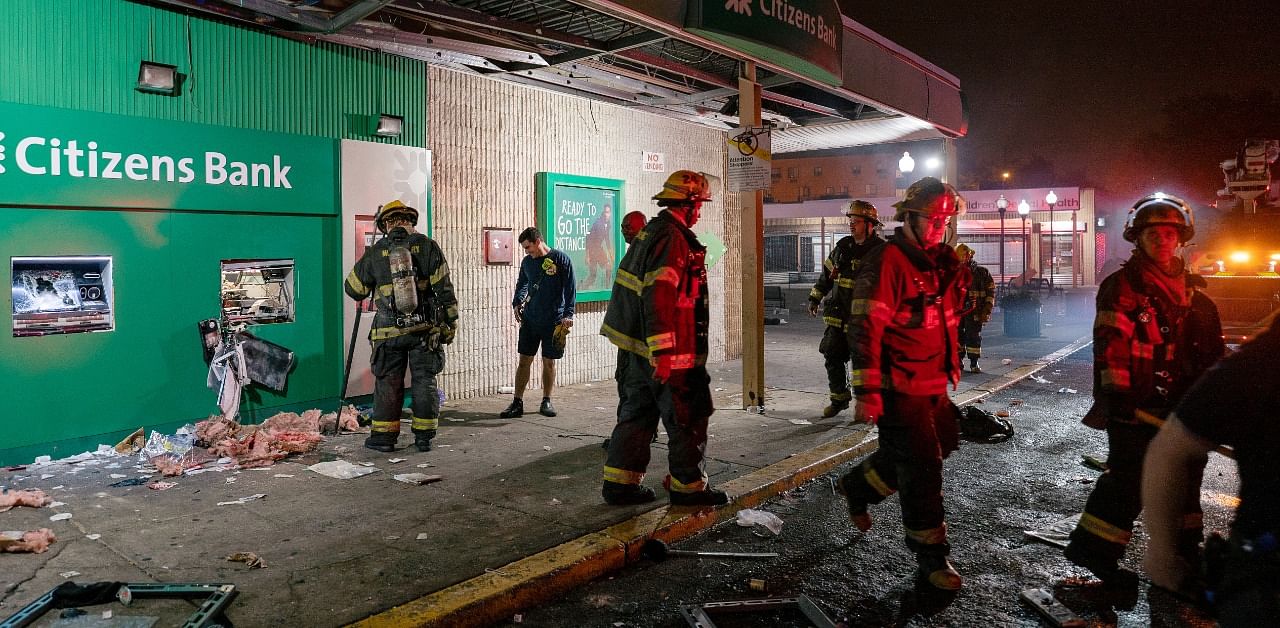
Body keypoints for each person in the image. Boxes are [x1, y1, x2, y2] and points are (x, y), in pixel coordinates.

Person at [1064, 192, 1224, 586]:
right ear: (1137, 238)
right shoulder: (1122, 287)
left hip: (1182, 409)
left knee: (1187, 480)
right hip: (1134, 406)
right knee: (1129, 479)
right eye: (1153, 233)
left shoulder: (1198, 299)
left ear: (1181, 238)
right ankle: (1094, 551)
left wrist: (1212, 405)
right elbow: (1109, 344)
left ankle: (1184, 553)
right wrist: (1118, 399)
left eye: (1169, 233)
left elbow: (1213, 360)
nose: (1162, 240)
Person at [835, 177, 970, 591]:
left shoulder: (939, 264)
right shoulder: (888, 261)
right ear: (908, 217)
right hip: (897, 385)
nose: (937, 229)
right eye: (932, 220)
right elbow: (865, 328)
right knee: (923, 464)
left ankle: (858, 485)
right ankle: (931, 557)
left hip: (931, 382)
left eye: (944, 222)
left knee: (943, 443)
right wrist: (867, 392)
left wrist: (951, 365)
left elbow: (943, 322)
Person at [599, 170, 727, 507]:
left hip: (638, 350)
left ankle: (620, 484)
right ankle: (688, 486)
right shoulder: (672, 238)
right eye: (699, 205)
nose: (700, 212)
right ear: (689, 204)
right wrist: (665, 351)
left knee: (637, 415)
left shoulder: (652, 233)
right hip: (667, 351)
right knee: (688, 414)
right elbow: (660, 293)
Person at [1143, 315, 1280, 625]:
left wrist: (1162, 556)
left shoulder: (1261, 361)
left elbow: (1167, 451)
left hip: (1262, 572)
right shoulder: (1261, 361)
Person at [344, 200, 459, 453]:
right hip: (424, 329)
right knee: (424, 380)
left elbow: (353, 289)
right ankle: (423, 438)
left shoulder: (376, 251)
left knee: (388, 382)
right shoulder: (428, 246)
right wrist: (450, 323)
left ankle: (383, 439)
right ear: (410, 221)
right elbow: (444, 289)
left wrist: (374, 266)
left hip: (387, 332)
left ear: (386, 224)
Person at [806, 200, 885, 418]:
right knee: (832, 355)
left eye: (856, 221)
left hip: (866, 321)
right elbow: (827, 275)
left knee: (863, 364)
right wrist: (815, 298)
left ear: (870, 225)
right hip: (838, 315)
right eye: (850, 220)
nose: (851, 225)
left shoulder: (881, 251)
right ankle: (839, 399)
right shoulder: (843, 247)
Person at [499, 227, 576, 418]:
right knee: (524, 360)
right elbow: (522, 284)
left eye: (528, 247)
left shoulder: (561, 259)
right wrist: (517, 302)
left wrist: (569, 314)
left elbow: (570, 289)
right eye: (525, 249)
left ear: (538, 241)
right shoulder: (527, 262)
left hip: (554, 320)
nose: (527, 252)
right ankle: (517, 402)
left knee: (549, 362)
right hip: (531, 320)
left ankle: (546, 400)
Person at [954, 243, 995, 373]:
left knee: (973, 337)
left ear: (970, 256)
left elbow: (990, 293)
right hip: (957, 313)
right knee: (957, 337)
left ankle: (974, 362)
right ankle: (958, 361)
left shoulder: (982, 273)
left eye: (965, 257)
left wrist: (987, 311)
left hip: (974, 312)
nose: (962, 260)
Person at [582, 204, 614, 290]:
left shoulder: (608, 224)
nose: (606, 214)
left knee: (608, 267)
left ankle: (608, 289)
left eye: (607, 212)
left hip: (598, 249)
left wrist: (611, 255)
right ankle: (581, 288)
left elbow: (607, 240)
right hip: (593, 250)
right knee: (593, 276)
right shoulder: (598, 223)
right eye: (605, 212)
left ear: (610, 213)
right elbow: (588, 238)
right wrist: (587, 256)